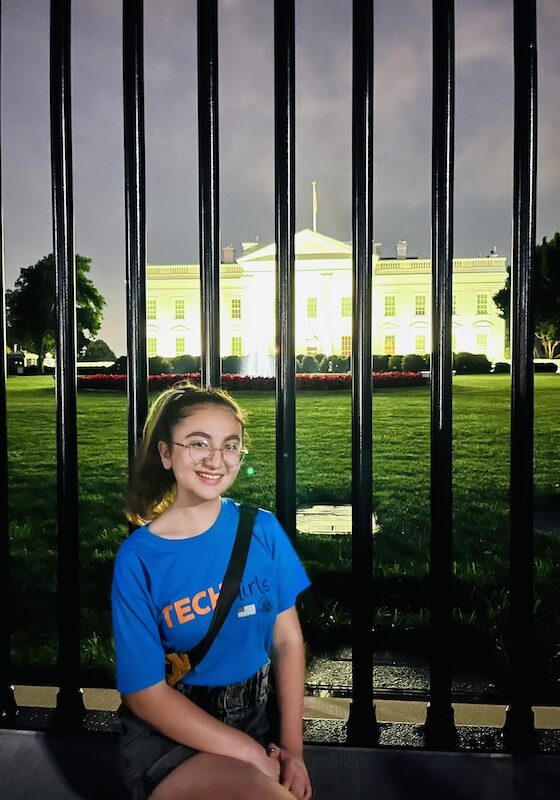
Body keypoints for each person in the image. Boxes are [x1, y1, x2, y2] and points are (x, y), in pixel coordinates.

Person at [112, 381, 312, 800]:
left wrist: (293, 750)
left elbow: (287, 639)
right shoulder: (139, 558)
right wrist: (250, 754)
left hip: (258, 715)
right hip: (175, 730)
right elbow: (144, 692)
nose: (216, 460)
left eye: (230, 445)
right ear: (166, 453)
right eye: (198, 443)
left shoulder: (262, 530)